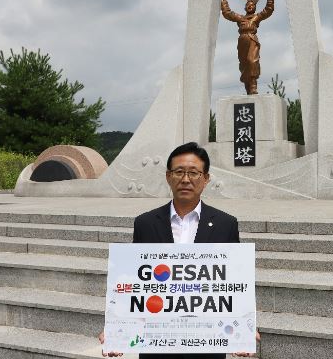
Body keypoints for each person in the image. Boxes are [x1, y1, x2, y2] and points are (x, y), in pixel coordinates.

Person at [100, 142, 256, 358]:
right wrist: (118, 327)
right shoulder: (145, 223)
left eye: (193, 173)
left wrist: (244, 327)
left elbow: (232, 281)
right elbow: (137, 282)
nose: (185, 179)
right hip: (158, 341)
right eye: (179, 172)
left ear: (206, 178)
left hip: (206, 341)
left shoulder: (225, 224)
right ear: (168, 176)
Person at [220, 0, 278, 95]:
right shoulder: (240, 18)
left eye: (252, 5)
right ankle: (248, 86)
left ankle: (253, 86)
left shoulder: (256, 17)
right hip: (242, 42)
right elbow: (227, 13)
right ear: (245, 7)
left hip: (252, 40)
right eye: (248, 5)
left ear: (255, 8)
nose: (250, 6)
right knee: (244, 64)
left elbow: (268, 10)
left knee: (252, 61)